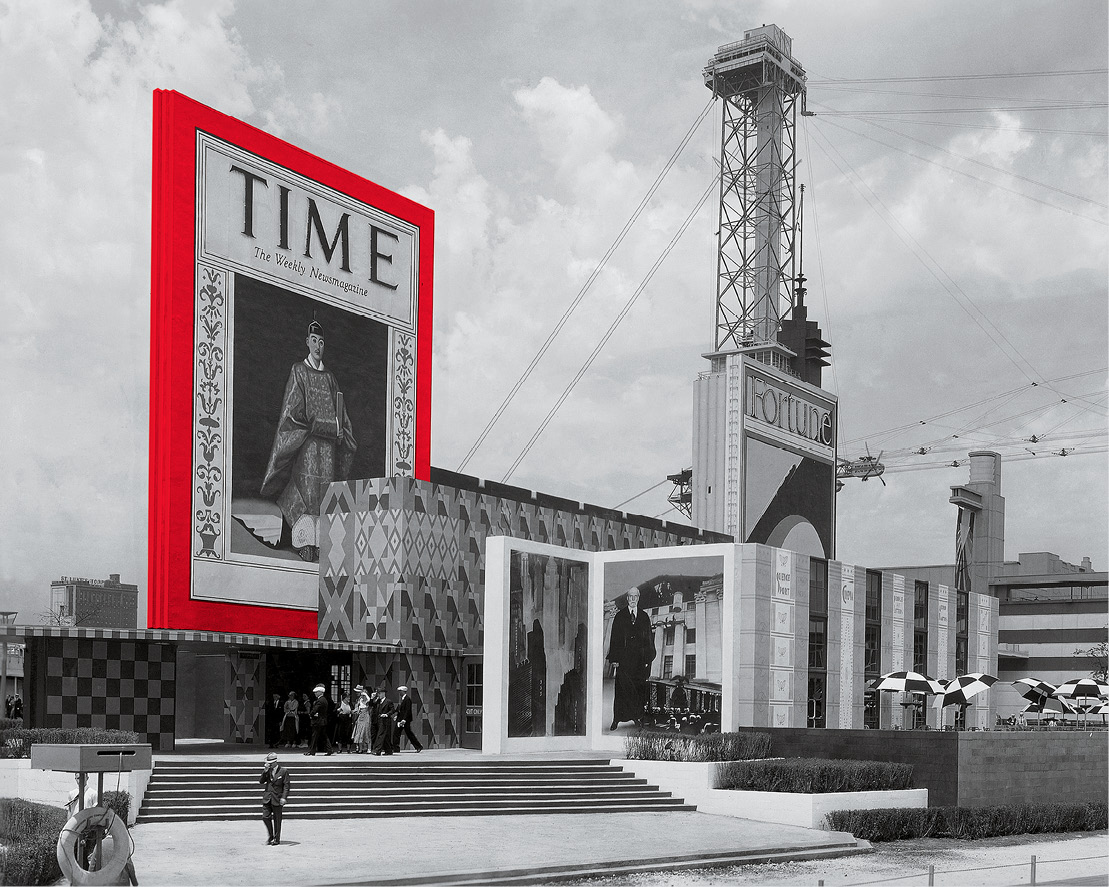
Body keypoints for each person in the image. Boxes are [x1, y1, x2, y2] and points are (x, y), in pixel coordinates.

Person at [260, 318, 357, 562]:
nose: (318, 346)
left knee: (324, 496)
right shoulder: (299, 371)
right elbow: (293, 413)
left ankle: (320, 545)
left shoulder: (330, 378)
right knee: (305, 493)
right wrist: (327, 426)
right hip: (307, 447)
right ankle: (303, 543)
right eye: (314, 340)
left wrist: (341, 430)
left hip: (328, 453)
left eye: (322, 342)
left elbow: (341, 414)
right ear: (307, 342)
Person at [606, 587, 656, 730]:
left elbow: (649, 639)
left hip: (639, 661)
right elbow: (614, 638)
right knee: (622, 690)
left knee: (637, 690)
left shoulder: (644, 616)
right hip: (624, 660)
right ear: (627, 598)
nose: (633, 599)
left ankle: (636, 717)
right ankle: (617, 719)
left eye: (635, 596)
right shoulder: (620, 616)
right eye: (630, 596)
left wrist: (648, 659)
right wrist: (614, 659)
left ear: (638, 598)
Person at [259, 751, 291, 846]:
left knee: (277, 820)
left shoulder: (283, 771)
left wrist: (284, 797)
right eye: (268, 763)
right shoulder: (267, 771)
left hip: (277, 798)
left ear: (275, 762)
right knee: (265, 817)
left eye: (271, 763)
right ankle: (270, 836)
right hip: (267, 797)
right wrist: (264, 771)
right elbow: (261, 781)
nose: (269, 765)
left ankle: (276, 839)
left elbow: (286, 786)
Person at [395, 685, 424, 753]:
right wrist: (397, 715)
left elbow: (407, 710)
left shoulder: (407, 699)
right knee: (396, 733)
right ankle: (396, 748)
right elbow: (400, 710)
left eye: (400, 691)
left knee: (408, 733)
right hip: (400, 719)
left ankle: (418, 746)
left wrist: (404, 719)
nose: (399, 693)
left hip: (405, 720)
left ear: (403, 691)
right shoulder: (402, 699)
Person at [306, 684, 332, 755]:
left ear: (321, 692)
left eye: (316, 692)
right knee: (324, 736)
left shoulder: (320, 701)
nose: (315, 693)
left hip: (318, 721)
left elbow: (314, 710)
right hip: (322, 721)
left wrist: (311, 714)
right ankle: (329, 750)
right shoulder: (324, 700)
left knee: (314, 736)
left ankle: (312, 751)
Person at [371, 688, 395, 756]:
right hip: (379, 720)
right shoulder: (378, 701)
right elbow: (372, 705)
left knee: (381, 735)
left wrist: (387, 714)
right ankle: (388, 750)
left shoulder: (388, 701)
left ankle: (378, 750)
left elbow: (392, 710)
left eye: (379, 693)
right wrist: (372, 698)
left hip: (385, 720)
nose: (378, 695)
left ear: (383, 693)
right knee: (385, 736)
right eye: (377, 693)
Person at [351, 686, 371, 753]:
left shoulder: (365, 700)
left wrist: (364, 694)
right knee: (358, 732)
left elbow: (368, 700)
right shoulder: (359, 700)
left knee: (366, 731)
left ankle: (368, 748)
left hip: (365, 716)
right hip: (359, 716)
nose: (357, 693)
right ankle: (360, 748)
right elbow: (357, 709)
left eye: (358, 692)